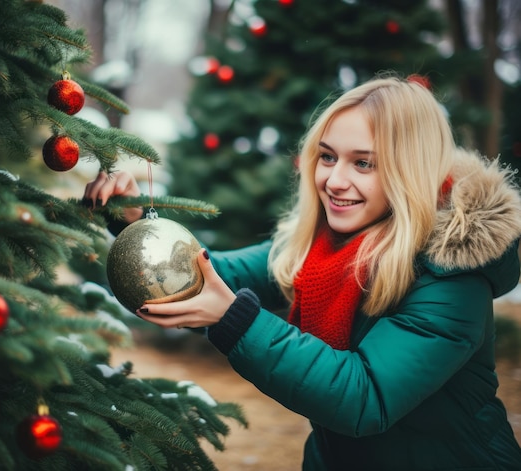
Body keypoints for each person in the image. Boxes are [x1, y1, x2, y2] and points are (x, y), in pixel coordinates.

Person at [84, 75, 521, 470]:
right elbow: (213, 274)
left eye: (363, 163)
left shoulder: (453, 276)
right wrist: (138, 224)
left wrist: (234, 319)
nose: (334, 180)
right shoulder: (320, 242)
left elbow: (363, 398)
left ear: (411, 171)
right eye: (327, 157)